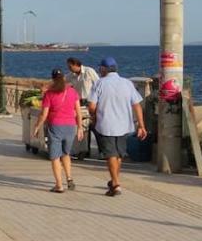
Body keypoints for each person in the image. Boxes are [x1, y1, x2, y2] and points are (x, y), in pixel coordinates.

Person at [87, 57, 147, 197]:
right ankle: (115, 180)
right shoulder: (127, 83)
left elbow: (91, 106)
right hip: (124, 125)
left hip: (105, 125)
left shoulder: (99, 84)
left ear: (103, 69)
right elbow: (137, 105)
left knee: (111, 155)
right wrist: (141, 125)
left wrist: (93, 115)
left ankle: (115, 183)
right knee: (119, 155)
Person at [31, 69, 84, 193]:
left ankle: (59, 185)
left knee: (55, 156)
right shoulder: (72, 92)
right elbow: (78, 111)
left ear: (53, 79)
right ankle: (69, 178)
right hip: (71, 126)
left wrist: (37, 127)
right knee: (66, 154)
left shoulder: (49, 94)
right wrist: (80, 127)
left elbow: (44, 114)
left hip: (55, 126)